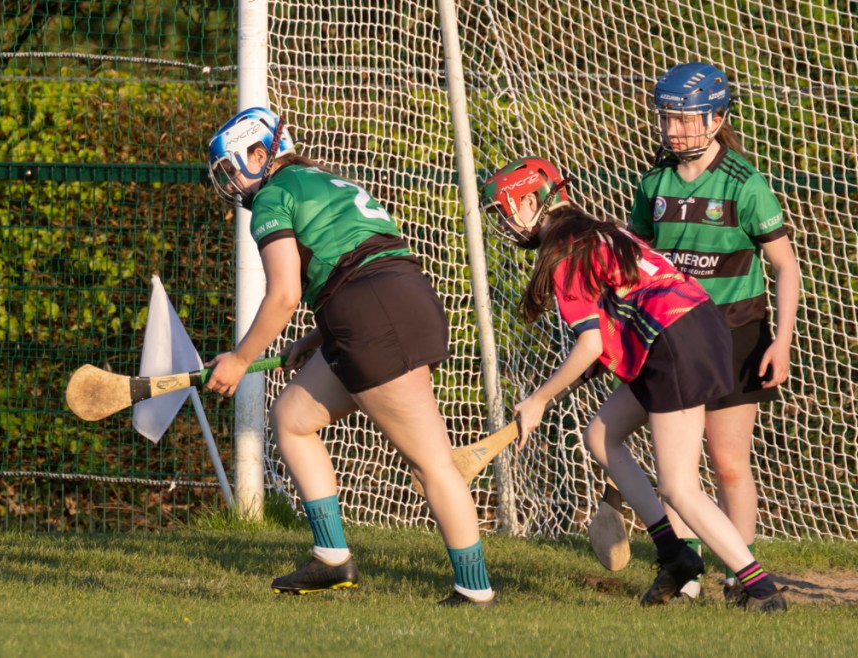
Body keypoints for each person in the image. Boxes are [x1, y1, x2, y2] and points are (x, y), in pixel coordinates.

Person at [203, 107, 495, 606]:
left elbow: (284, 295)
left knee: (431, 464)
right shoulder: (321, 179)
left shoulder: (273, 194)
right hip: (394, 303)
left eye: (231, 168)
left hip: (373, 318)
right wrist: (314, 339)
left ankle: (474, 589)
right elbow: (359, 264)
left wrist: (239, 358)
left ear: (259, 153)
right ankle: (331, 557)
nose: (229, 182)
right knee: (292, 418)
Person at [481, 156, 786, 612]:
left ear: (530, 202)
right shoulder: (600, 230)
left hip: (674, 341)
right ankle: (674, 557)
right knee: (601, 435)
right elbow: (618, 319)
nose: (505, 224)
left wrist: (539, 399)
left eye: (506, 211)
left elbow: (589, 343)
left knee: (679, 488)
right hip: (698, 327)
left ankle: (760, 589)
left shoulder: (564, 251)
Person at [628, 62, 800, 602]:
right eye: (667, 118)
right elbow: (637, 264)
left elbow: (786, 266)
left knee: (728, 463)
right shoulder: (653, 183)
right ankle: (686, 573)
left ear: (717, 118)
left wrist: (782, 341)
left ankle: (738, 574)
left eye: (686, 119)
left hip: (736, 335)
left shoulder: (744, 183)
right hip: (673, 337)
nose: (674, 130)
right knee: (677, 468)